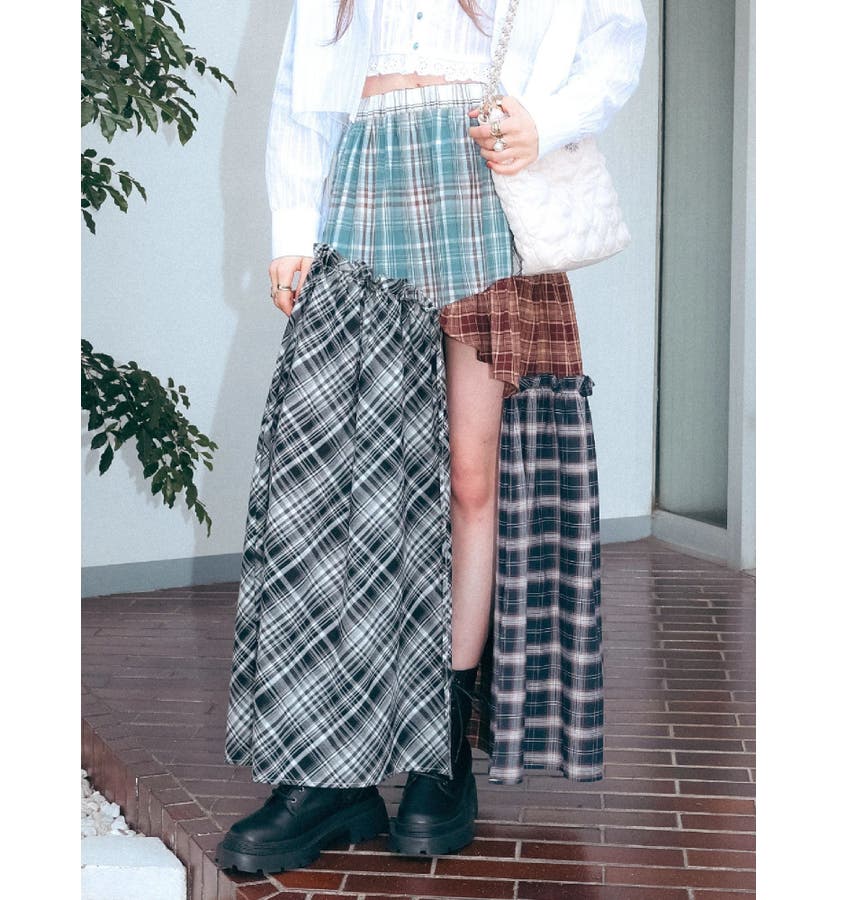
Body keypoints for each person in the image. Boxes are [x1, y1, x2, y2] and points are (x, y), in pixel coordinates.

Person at [217, 0, 646, 875]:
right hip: (367, 173)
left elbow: (614, 36)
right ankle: (326, 775)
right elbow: (303, 81)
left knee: (469, 481)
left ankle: (440, 759)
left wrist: (546, 119)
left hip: (481, 181)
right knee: (331, 487)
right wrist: (292, 226)